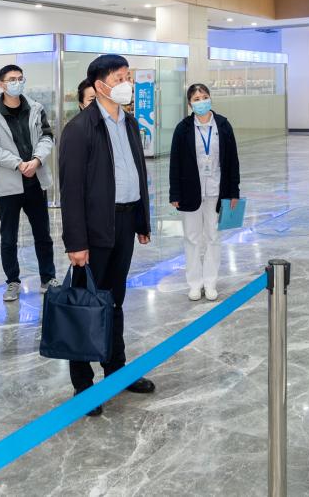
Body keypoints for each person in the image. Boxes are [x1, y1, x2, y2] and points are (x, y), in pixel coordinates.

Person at [59, 54, 155, 416]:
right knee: (87, 305)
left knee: (114, 301)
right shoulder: (80, 128)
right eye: (119, 78)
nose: (126, 83)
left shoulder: (128, 122)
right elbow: (71, 191)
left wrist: (142, 222)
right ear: (100, 86)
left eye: (128, 76)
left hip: (125, 223)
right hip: (94, 229)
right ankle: (83, 386)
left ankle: (117, 370)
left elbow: (137, 173)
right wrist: (76, 242)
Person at [0, 64, 57, 302]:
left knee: (43, 234)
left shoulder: (35, 108)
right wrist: (18, 164)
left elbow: (47, 136)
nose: (17, 82)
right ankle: (12, 281)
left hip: (35, 181)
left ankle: (48, 278)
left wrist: (36, 160)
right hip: (9, 184)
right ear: (1, 84)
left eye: (20, 78)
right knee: (8, 237)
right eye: (12, 79)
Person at [169, 84, 241, 302]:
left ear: (210, 99)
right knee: (192, 238)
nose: (201, 101)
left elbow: (233, 161)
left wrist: (234, 191)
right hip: (190, 191)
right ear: (190, 104)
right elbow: (175, 162)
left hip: (216, 190)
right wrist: (175, 193)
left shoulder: (223, 125)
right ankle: (194, 283)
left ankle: (210, 282)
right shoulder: (183, 128)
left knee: (213, 237)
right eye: (196, 99)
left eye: (205, 97)